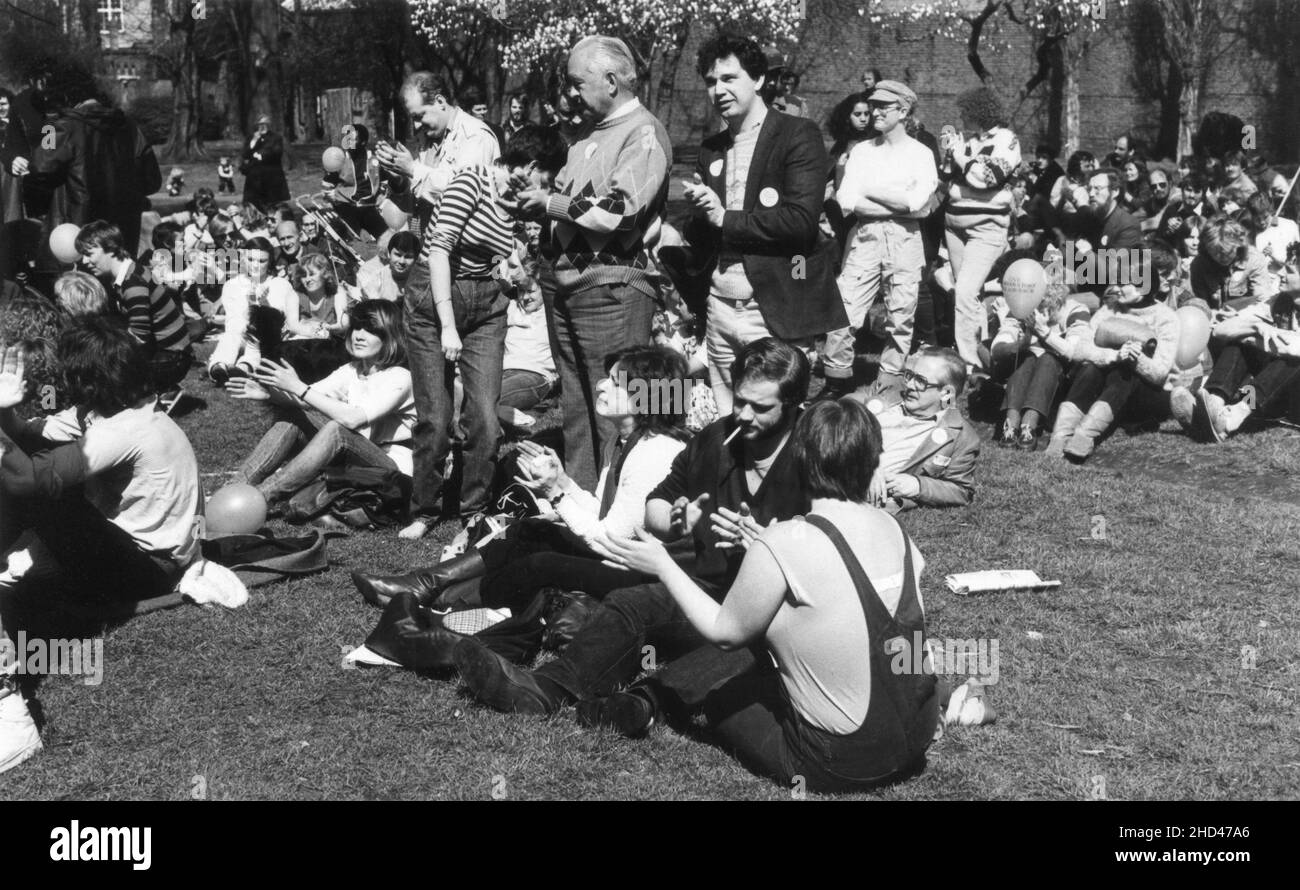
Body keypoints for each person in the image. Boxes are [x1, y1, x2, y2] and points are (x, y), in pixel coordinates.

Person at [575, 398, 940, 791]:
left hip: (838, 761)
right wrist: (768, 546)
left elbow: (725, 633)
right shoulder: (892, 528)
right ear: (871, 460)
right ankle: (646, 702)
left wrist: (663, 564)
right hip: (914, 737)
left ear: (799, 458)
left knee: (725, 688)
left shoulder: (787, 540)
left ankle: (647, 704)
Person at [451, 338, 816, 716]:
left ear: (794, 407)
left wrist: (771, 544)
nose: (743, 415)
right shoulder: (718, 439)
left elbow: (840, 546)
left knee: (552, 562)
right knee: (628, 605)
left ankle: (638, 699)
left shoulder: (813, 453)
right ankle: (546, 688)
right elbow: (658, 502)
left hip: (776, 608)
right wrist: (674, 520)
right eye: (740, 401)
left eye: (761, 407)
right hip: (709, 591)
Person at [0, 319, 202, 773]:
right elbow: (37, 433)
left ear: (85, 379)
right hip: (130, 548)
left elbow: (27, 478)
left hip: (151, 566)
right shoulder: (109, 410)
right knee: (40, 473)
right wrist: (8, 415)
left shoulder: (127, 429)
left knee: (40, 489)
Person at [351, 345, 691, 612]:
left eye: (615, 383)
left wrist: (556, 496)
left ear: (646, 398)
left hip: (641, 576)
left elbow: (610, 541)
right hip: (617, 555)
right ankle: (423, 585)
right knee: (531, 529)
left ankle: (440, 599)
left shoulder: (654, 453)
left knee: (541, 561)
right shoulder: (623, 440)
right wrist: (563, 483)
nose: (601, 385)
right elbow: (603, 513)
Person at [497, 36, 671, 492]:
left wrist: (551, 203)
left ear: (611, 81)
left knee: (619, 407)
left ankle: (625, 508)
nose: (571, 93)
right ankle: (578, 504)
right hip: (569, 291)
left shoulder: (643, 133)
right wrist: (531, 206)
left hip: (611, 290)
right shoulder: (588, 135)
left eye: (578, 82)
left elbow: (621, 210)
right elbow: (571, 207)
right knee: (577, 407)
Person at [682, 33, 845, 414]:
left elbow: (801, 223)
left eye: (729, 78)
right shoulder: (711, 148)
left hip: (772, 307)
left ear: (757, 80)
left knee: (774, 422)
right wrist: (699, 216)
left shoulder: (797, 134)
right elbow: (706, 232)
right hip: (720, 306)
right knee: (727, 418)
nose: (718, 90)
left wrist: (724, 217)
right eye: (710, 82)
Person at [396, 116, 519, 537]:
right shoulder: (470, 181)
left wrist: (513, 274)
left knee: (484, 414)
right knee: (436, 412)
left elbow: (513, 258)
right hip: (433, 300)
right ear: (512, 164)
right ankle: (426, 508)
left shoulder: (524, 201)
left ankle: (474, 507)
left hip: (486, 303)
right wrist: (448, 325)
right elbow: (439, 250)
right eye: (527, 175)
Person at [226, 299, 415, 507]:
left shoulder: (400, 377)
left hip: (393, 473)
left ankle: (260, 497)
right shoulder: (352, 370)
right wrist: (268, 394)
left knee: (337, 429)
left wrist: (299, 387)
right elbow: (307, 398)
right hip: (357, 459)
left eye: (370, 330)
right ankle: (234, 488)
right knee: (295, 415)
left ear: (389, 337)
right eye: (356, 328)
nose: (358, 336)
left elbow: (353, 420)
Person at [821, 79, 938, 400]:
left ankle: (889, 380)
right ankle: (837, 380)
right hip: (866, 236)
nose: (874, 112)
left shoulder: (921, 153)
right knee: (843, 310)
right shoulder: (861, 152)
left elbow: (918, 204)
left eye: (883, 107)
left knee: (901, 314)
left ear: (903, 111)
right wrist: (897, 198)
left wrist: (869, 191)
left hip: (905, 241)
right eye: (873, 106)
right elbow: (846, 200)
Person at [1046, 256, 1180, 461]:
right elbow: (1080, 349)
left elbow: (1160, 373)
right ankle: (1061, 435)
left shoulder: (1166, 318)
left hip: (1144, 395)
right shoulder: (1109, 309)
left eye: (1122, 283)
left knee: (1124, 372)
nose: (1115, 288)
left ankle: (1085, 435)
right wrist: (1113, 355)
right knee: (1091, 367)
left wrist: (1135, 358)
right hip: (1102, 386)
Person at [940, 86, 1021, 370]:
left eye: (965, 112)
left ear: (979, 113)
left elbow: (985, 177)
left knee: (964, 291)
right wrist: (949, 154)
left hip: (986, 228)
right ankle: (980, 350)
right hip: (954, 226)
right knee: (969, 294)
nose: (960, 117)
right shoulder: (966, 140)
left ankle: (968, 361)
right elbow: (949, 176)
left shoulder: (1006, 140)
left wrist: (961, 156)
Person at [854, 347, 980, 510]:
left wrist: (917, 485)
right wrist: (870, 463)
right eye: (910, 376)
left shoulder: (960, 437)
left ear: (946, 393)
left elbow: (962, 491)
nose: (910, 385)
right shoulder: (888, 390)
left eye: (921, 381)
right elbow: (840, 409)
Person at [75, 220, 191, 393]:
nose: (84, 260)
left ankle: (159, 388)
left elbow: (139, 336)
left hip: (172, 358)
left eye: (88, 253)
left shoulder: (132, 283)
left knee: (105, 380)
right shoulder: (129, 271)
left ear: (111, 248)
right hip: (169, 353)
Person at [1193, 288, 1300, 442]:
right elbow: (1220, 329)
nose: (1282, 272)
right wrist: (1255, 327)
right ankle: (1214, 404)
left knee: (1291, 358)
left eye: (1290, 269)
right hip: (1274, 390)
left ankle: (1233, 416)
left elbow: (1293, 347)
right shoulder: (1279, 301)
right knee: (1241, 340)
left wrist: (1252, 337)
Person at [207, 236, 298, 384]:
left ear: (269, 262)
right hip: (240, 333)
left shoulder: (280, 285)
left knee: (255, 339)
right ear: (243, 257)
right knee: (231, 336)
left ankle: (244, 368)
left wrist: (263, 305)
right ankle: (219, 366)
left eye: (261, 261)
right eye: (251, 259)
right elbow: (233, 322)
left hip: (266, 339)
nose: (255, 265)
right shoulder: (232, 285)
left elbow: (277, 322)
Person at [1189, 215, 1275, 309]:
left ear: (1239, 245)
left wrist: (1239, 317)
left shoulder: (1254, 259)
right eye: (1215, 252)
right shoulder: (1199, 264)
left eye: (1227, 252)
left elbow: (1263, 301)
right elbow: (1199, 303)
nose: (1222, 257)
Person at [823, 91, 874, 247]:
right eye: (857, 114)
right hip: (839, 210)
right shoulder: (839, 145)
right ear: (847, 117)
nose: (863, 118)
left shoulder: (873, 143)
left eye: (866, 114)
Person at [241, 114, 290, 211]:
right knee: (253, 203)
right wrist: (254, 141)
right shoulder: (251, 137)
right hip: (254, 177)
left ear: (269, 125)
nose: (262, 127)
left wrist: (261, 154)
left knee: (271, 204)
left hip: (271, 175)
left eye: (265, 124)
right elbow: (245, 154)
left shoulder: (276, 137)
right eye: (260, 124)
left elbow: (277, 151)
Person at [357, 230, 419, 303]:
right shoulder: (372, 275)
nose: (402, 261)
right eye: (398, 255)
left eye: (408, 257)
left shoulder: (418, 276)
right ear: (388, 254)